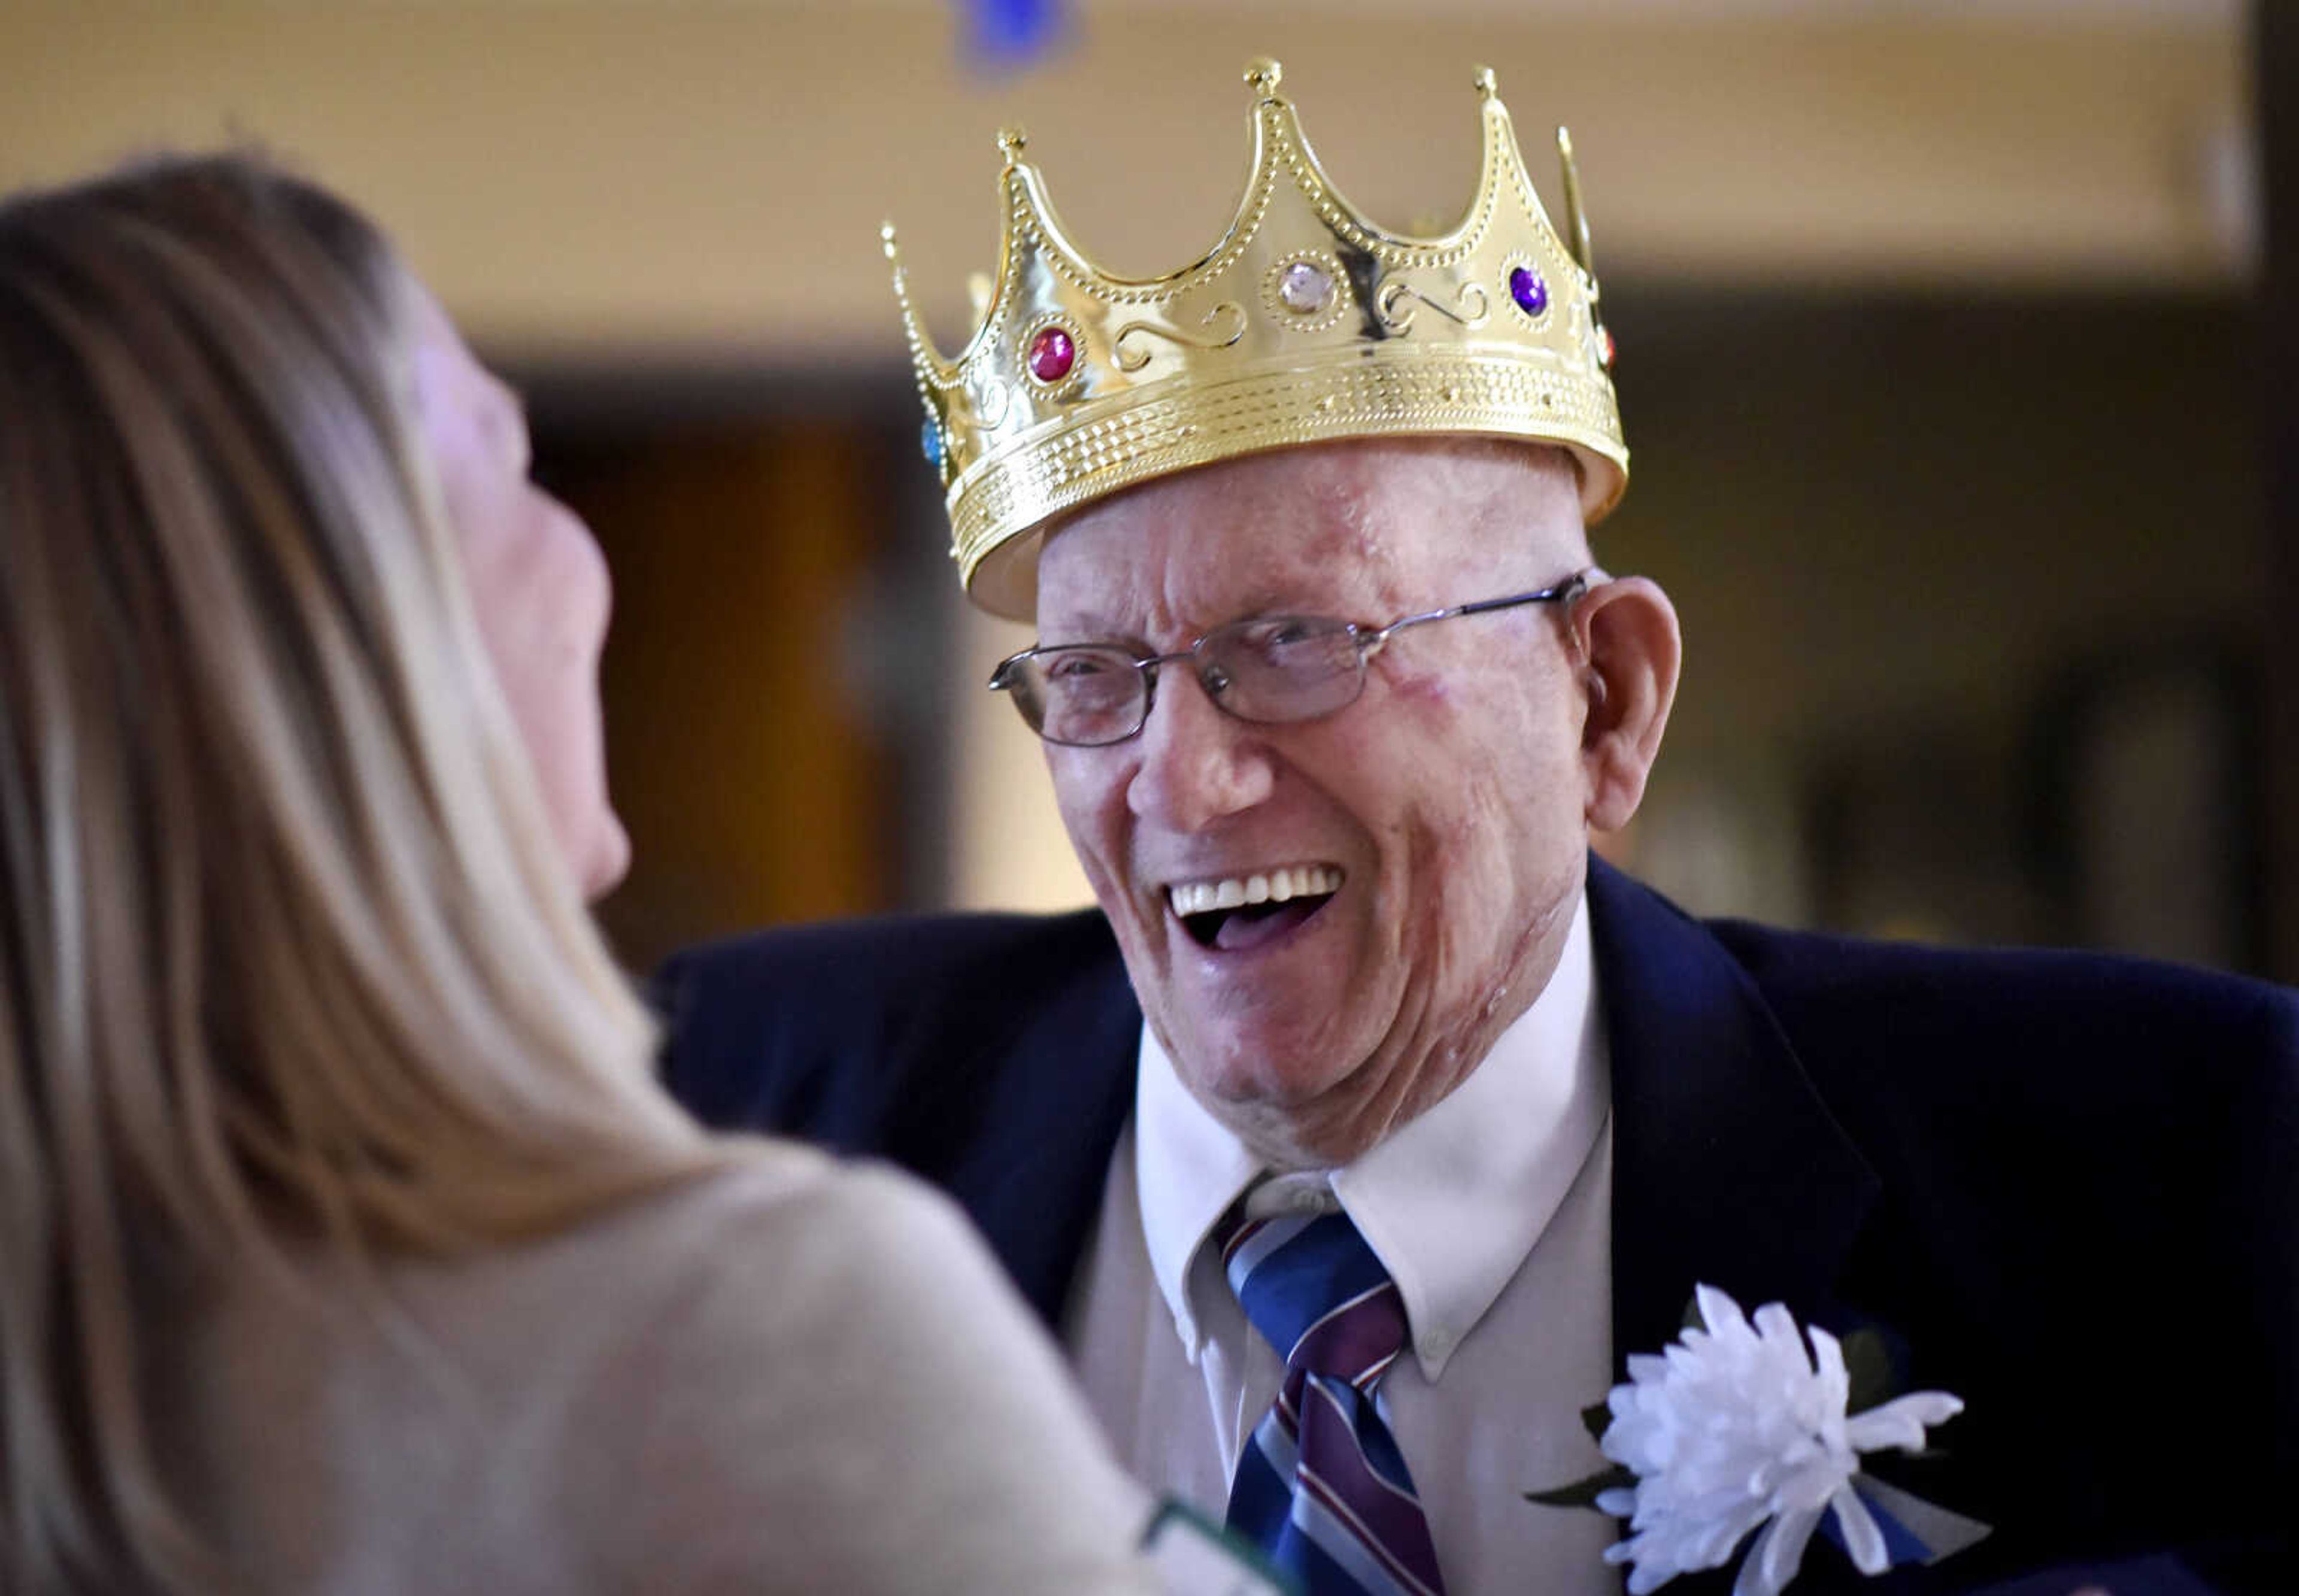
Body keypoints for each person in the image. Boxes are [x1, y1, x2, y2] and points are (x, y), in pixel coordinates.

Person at [658, 60, 2299, 1596]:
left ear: (1604, 701)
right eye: (1095, 678)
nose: (1181, 780)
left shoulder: (2179, 1158)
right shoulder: (729, 1113)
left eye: (1301, 644)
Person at [0, 153, 1170, 1596]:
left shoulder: (73, 1364)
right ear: (352, 658)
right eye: (505, 461)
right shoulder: (752, 1329)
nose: (584, 560)